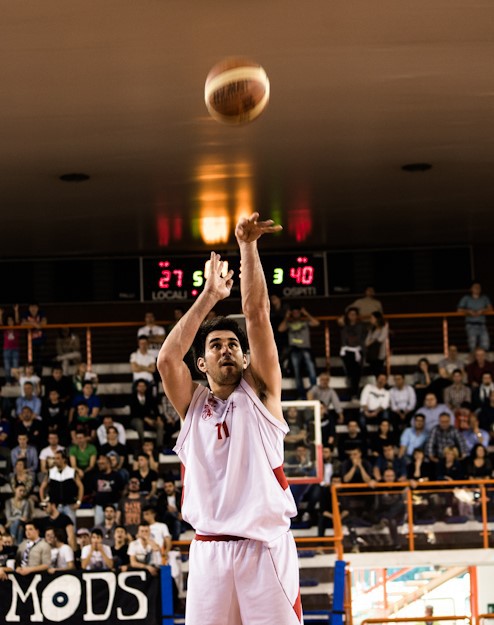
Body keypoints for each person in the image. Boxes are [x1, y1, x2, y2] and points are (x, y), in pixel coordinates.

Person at [156, 213, 301, 625]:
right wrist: (208, 296)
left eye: (233, 345)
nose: (226, 350)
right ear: (201, 362)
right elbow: (167, 359)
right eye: (216, 345)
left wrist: (248, 246)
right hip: (208, 550)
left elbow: (256, 314)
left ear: (245, 356)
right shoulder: (191, 404)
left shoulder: (262, 391)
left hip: (264, 547)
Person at [278, 305, 320, 399]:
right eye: (294, 312)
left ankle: (314, 387)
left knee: (310, 366)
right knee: (297, 371)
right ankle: (301, 393)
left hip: (305, 348)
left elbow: (316, 323)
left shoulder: (305, 321)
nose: (296, 313)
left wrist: (306, 313)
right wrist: (287, 316)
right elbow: (280, 329)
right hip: (294, 349)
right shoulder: (289, 322)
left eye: (297, 312)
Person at [39, 449, 84, 527]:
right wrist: (44, 502)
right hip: (55, 507)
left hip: (69, 506)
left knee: (71, 528)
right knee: (56, 530)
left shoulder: (72, 472)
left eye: (58, 458)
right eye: (55, 458)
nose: (56, 460)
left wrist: (79, 502)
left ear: (64, 459)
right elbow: (42, 488)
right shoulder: (50, 472)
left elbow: (81, 487)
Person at [307, 371, 344, 447]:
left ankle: (328, 441)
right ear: (319, 380)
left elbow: (336, 402)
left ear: (328, 381)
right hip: (313, 411)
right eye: (322, 379)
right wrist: (312, 405)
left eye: (326, 380)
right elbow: (309, 394)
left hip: (324, 413)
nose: (324, 381)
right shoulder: (315, 388)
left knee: (331, 420)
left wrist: (340, 415)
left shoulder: (331, 391)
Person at [339, 307, 366, 399]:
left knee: (357, 373)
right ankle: (351, 392)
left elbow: (357, 338)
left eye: (354, 314)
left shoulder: (360, 326)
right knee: (350, 373)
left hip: (357, 350)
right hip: (347, 351)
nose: (352, 316)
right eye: (350, 314)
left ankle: (355, 392)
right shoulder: (345, 326)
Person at [457, 281, 493, 352]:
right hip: (471, 325)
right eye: (475, 287)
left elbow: (490, 308)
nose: (477, 289)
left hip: (482, 325)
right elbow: (459, 310)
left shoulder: (484, 298)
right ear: (471, 289)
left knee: (485, 344)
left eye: (479, 287)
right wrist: (469, 311)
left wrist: (482, 310)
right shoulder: (466, 298)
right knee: (472, 345)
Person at [21, 303, 47, 376]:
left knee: (39, 361)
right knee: (30, 360)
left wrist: (30, 324)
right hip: (29, 342)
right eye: (31, 307)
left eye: (35, 307)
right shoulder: (26, 314)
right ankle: (30, 376)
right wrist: (35, 324)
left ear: (38, 308)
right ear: (29, 308)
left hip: (40, 341)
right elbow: (22, 324)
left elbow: (44, 323)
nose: (33, 309)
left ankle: (38, 377)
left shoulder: (41, 313)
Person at [0, 305, 20, 385]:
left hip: (15, 349)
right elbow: (0, 323)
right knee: (7, 367)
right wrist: (0, 314)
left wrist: (16, 311)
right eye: (8, 320)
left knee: (15, 366)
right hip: (6, 349)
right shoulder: (5, 329)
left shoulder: (16, 328)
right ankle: (8, 381)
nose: (10, 322)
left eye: (11, 320)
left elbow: (17, 320)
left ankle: (16, 381)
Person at [364, 311, 388, 377]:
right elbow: (366, 341)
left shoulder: (384, 326)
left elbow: (381, 338)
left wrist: (372, 341)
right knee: (374, 370)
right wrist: (369, 342)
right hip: (372, 353)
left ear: (377, 319)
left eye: (372, 318)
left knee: (379, 369)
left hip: (380, 351)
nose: (370, 320)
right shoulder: (372, 328)